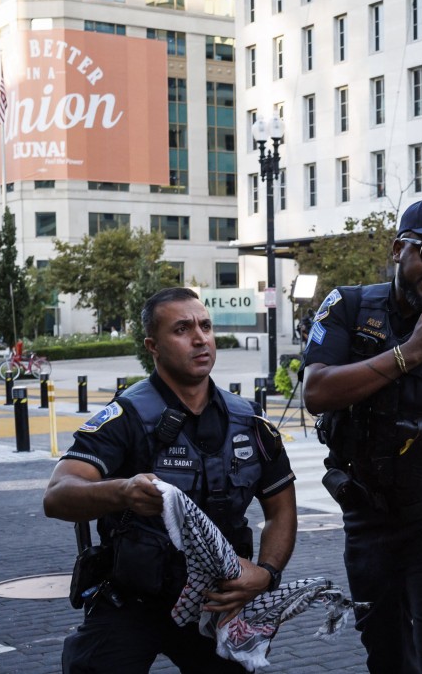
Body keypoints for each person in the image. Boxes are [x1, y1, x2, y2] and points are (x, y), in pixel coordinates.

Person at [43, 287, 297, 673]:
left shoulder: (249, 420)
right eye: (182, 329)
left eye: (205, 326)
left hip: (216, 604)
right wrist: (122, 492)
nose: (200, 338)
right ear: (153, 346)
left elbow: (281, 508)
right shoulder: (126, 416)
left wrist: (267, 573)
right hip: (134, 602)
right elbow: (58, 494)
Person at [302, 197, 422, 674]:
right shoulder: (349, 305)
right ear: (399, 249)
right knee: (386, 657)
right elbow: (317, 392)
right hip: (368, 517)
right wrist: (410, 354)